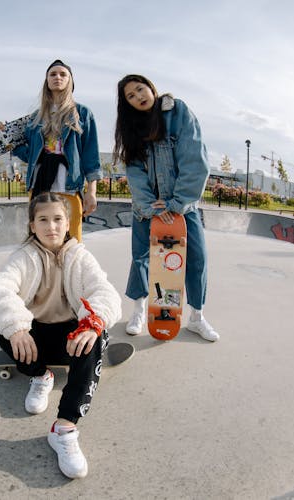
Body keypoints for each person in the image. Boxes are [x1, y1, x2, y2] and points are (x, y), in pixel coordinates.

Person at [0, 192, 121, 479]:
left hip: (70, 339)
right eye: (43, 220)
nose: (51, 227)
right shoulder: (24, 257)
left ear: (67, 223)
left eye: (57, 219)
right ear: (32, 225)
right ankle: (40, 375)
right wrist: (17, 328)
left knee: (97, 330)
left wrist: (92, 324)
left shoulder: (80, 255)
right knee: (2, 325)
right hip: (35, 339)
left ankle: (64, 428)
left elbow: (105, 293)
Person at [114, 74, 219, 342]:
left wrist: (175, 203)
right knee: (142, 259)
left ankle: (196, 317)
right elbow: (134, 170)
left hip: (183, 208)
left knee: (197, 259)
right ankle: (139, 311)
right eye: (131, 96)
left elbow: (194, 159)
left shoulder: (177, 112)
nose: (139, 97)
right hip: (147, 209)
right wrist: (151, 205)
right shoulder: (132, 128)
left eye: (141, 89)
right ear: (127, 104)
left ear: (151, 87)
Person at [9, 59, 102, 241]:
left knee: (72, 241)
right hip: (39, 186)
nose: (57, 77)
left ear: (70, 81)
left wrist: (91, 192)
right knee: (41, 241)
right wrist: (11, 143)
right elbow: (32, 155)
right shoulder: (36, 117)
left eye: (62, 74)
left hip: (69, 185)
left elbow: (90, 156)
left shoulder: (82, 113)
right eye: (52, 74)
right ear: (46, 81)